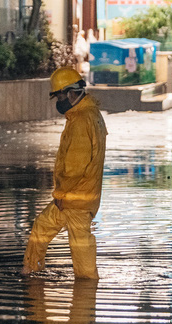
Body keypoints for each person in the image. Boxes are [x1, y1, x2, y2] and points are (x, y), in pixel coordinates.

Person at [21, 67, 107, 279]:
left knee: (83, 258)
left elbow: (74, 167)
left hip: (75, 198)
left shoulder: (81, 121)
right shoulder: (89, 115)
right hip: (75, 196)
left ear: (70, 93)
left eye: (59, 95)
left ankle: (86, 299)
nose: (58, 100)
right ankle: (30, 271)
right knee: (42, 227)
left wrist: (60, 195)